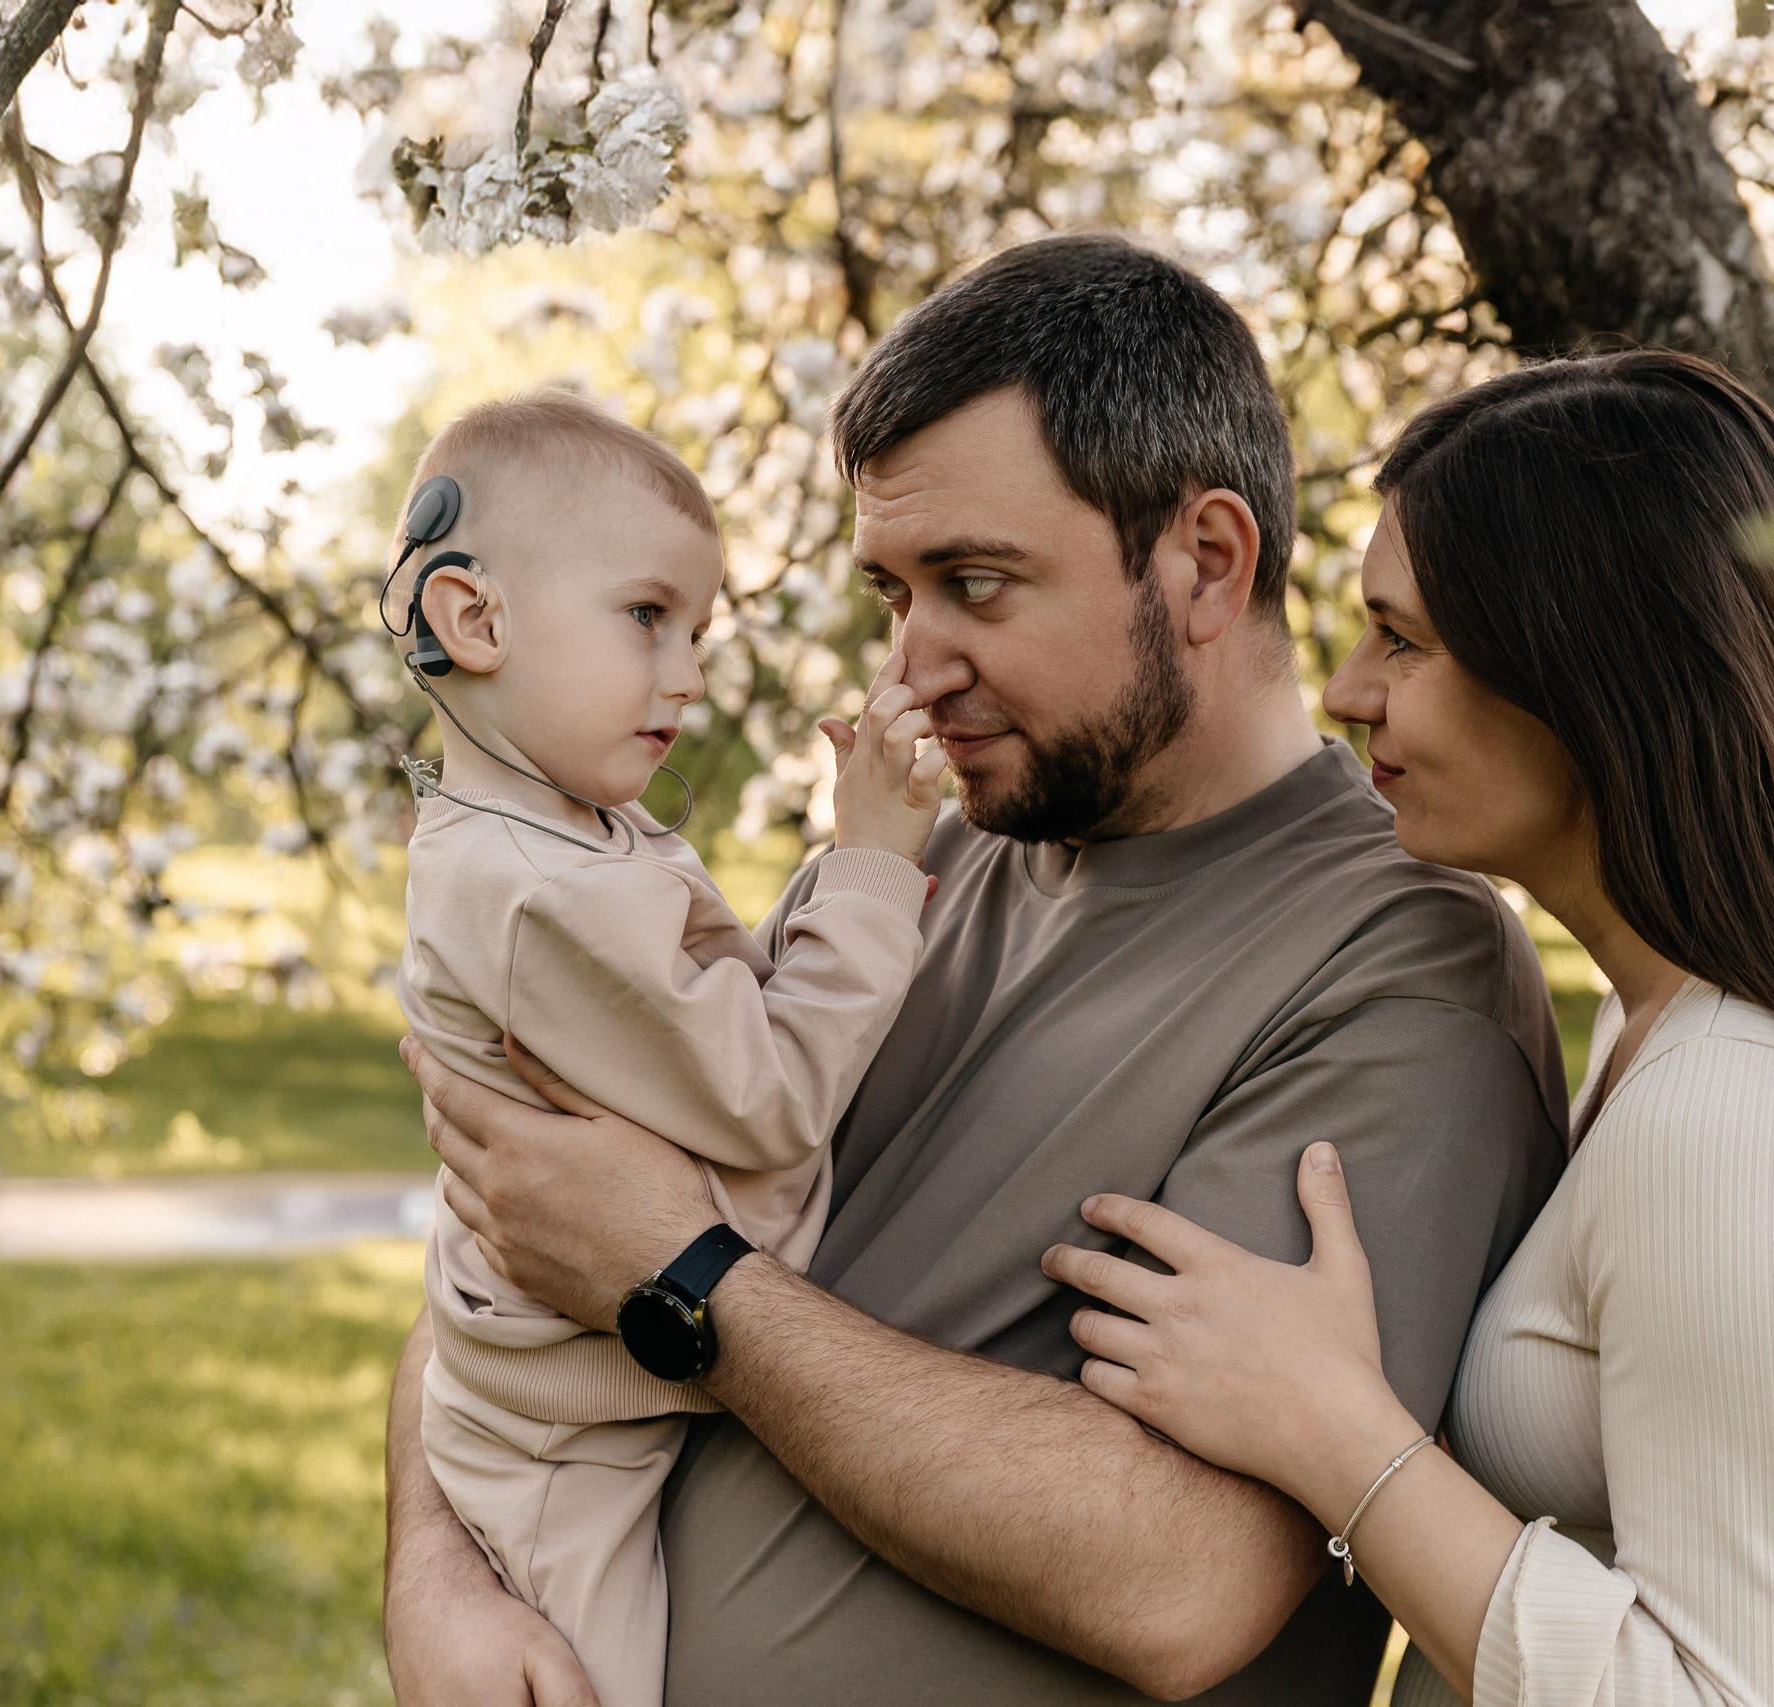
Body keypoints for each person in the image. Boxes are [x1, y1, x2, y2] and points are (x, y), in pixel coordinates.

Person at [383, 235, 1568, 1706]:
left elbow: (1182, 1578)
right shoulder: (906, 878)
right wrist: (436, 1573)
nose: (912, 669)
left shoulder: (1397, 970)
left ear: (1206, 562)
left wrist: (690, 1286)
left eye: (976, 585)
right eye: (895, 596)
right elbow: (527, 1222)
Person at [1037, 349, 1774, 1706]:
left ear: (1594, 676)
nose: (1352, 688)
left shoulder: (1739, 1105)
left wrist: (1336, 1435)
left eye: (1405, 640)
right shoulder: (1684, 1022)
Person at [388, 391, 949, 1707]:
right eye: (647, 617)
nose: (688, 672)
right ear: (477, 620)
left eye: (696, 627)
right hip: (556, 1468)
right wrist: (868, 863)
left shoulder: (564, 832)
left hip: (581, 1410)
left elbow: (705, 1017)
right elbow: (766, 1099)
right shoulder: (543, 891)